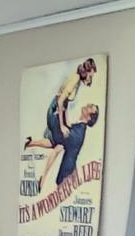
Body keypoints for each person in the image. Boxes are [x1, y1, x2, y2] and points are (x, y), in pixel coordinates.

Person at [23, 58, 98, 191]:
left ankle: (29, 143)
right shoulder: (75, 80)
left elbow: (66, 104)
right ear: (87, 72)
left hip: (59, 112)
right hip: (54, 112)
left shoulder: (77, 80)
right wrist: (63, 125)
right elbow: (61, 101)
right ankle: (43, 179)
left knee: (57, 143)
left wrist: (67, 121)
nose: (90, 79)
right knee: (59, 144)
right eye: (91, 75)